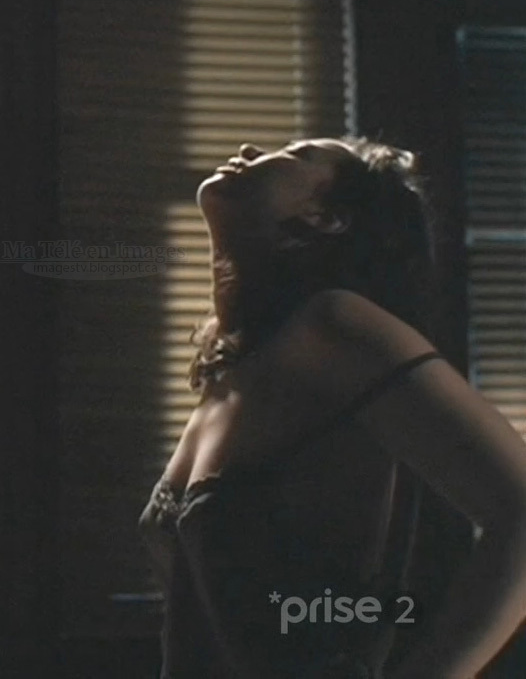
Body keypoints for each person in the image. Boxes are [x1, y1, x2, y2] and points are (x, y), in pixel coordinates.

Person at [138, 137, 526, 678]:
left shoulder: (335, 327)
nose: (248, 147)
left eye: (298, 154)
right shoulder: (233, 373)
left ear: (326, 217)